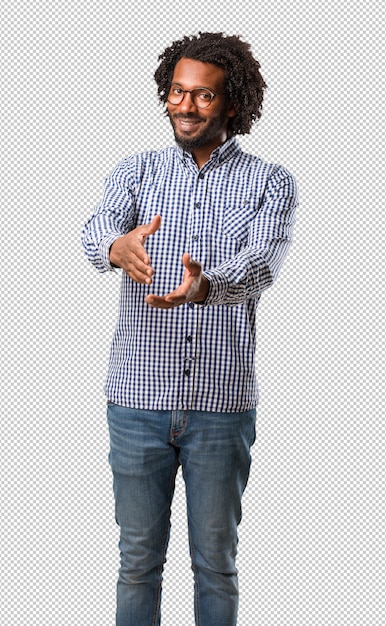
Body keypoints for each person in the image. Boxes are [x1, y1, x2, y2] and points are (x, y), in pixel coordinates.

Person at [81, 31, 298, 626]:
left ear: (231, 103)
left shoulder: (271, 181)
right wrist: (115, 246)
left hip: (221, 407)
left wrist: (205, 286)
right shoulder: (136, 170)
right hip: (135, 400)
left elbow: (261, 267)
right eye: (177, 92)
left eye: (203, 96)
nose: (185, 105)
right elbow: (95, 233)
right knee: (136, 563)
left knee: (217, 565)